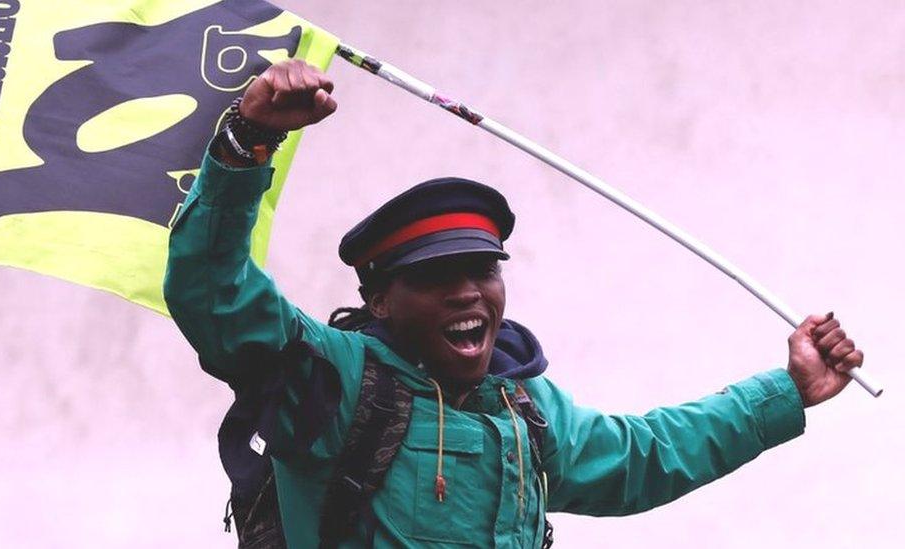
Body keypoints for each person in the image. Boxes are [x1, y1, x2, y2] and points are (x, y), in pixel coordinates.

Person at [163, 59, 864, 548]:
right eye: (437, 275)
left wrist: (790, 389)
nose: (469, 291)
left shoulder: (526, 410)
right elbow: (213, 292)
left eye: (482, 270)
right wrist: (248, 141)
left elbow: (645, 454)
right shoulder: (333, 377)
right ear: (379, 298)